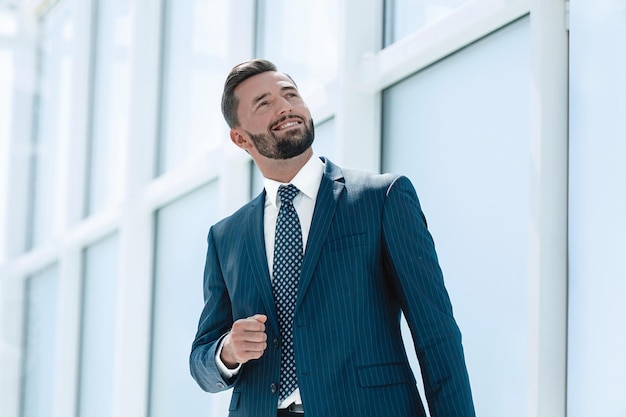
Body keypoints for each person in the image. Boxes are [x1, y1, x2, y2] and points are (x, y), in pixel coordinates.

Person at [190, 58, 475, 417]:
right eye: (264, 103)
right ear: (240, 138)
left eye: (290, 94)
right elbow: (201, 358)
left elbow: (437, 338)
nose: (285, 106)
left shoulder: (381, 199)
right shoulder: (225, 237)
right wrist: (228, 350)